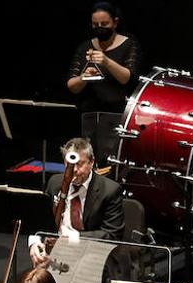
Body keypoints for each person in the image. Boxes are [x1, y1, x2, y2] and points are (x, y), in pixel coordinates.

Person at [27, 137, 125, 283]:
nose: (75, 171)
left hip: (91, 252)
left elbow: (111, 235)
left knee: (77, 278)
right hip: (57, 251)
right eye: (69, 165)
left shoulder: (109, 190)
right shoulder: (55, 183)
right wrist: (34, 242)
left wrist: (74, 239)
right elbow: (39, 221)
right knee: (29, 282)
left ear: (91, 162)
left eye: (80, 165)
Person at [66, 3, 143, 163]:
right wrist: (84, 77)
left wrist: (106, 61)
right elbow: (72, 86)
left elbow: (127, 77)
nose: (100, 28)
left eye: (104, 24)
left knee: (111, 163)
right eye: (95, 25)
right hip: (89, 116)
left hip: (117, 115)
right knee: (87, 163)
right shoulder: (85, 47)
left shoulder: (129, 44)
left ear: (115, 23)